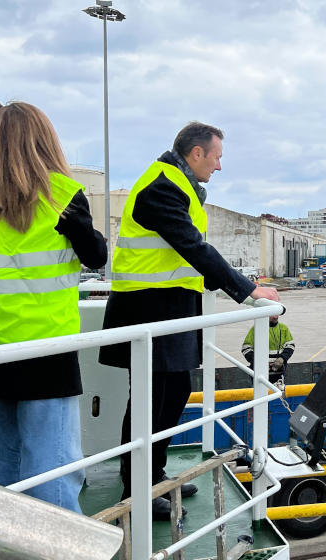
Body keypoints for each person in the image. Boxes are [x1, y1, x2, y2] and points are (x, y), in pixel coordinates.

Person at [98, 122, 278, 520]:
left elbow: (188, 253)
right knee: (149, 401)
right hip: (149, 309)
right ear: (196, 153)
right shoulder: (163, 186)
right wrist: (247, 290)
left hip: (170, 307)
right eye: (216, 158)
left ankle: (156, 474)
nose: (218, 166)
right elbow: (193, 247)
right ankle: (137, 490)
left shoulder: (178, 183)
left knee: (174, 392)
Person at [0, 102, 106, 511]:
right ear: (44, 139)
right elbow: (95, 257)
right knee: (52, 470)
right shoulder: (63, 195)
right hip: (47, 352)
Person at [241, 312, 295, 382]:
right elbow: (246, 348)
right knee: (261, 392)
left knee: (278, 391)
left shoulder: (284, 328)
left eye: (277, 314)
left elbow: (290, 346)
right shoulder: (256, 329)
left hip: (278, 371)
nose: (276, 317)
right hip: (260, 373)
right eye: (272, 315)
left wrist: (282, 358)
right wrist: (258, 362)